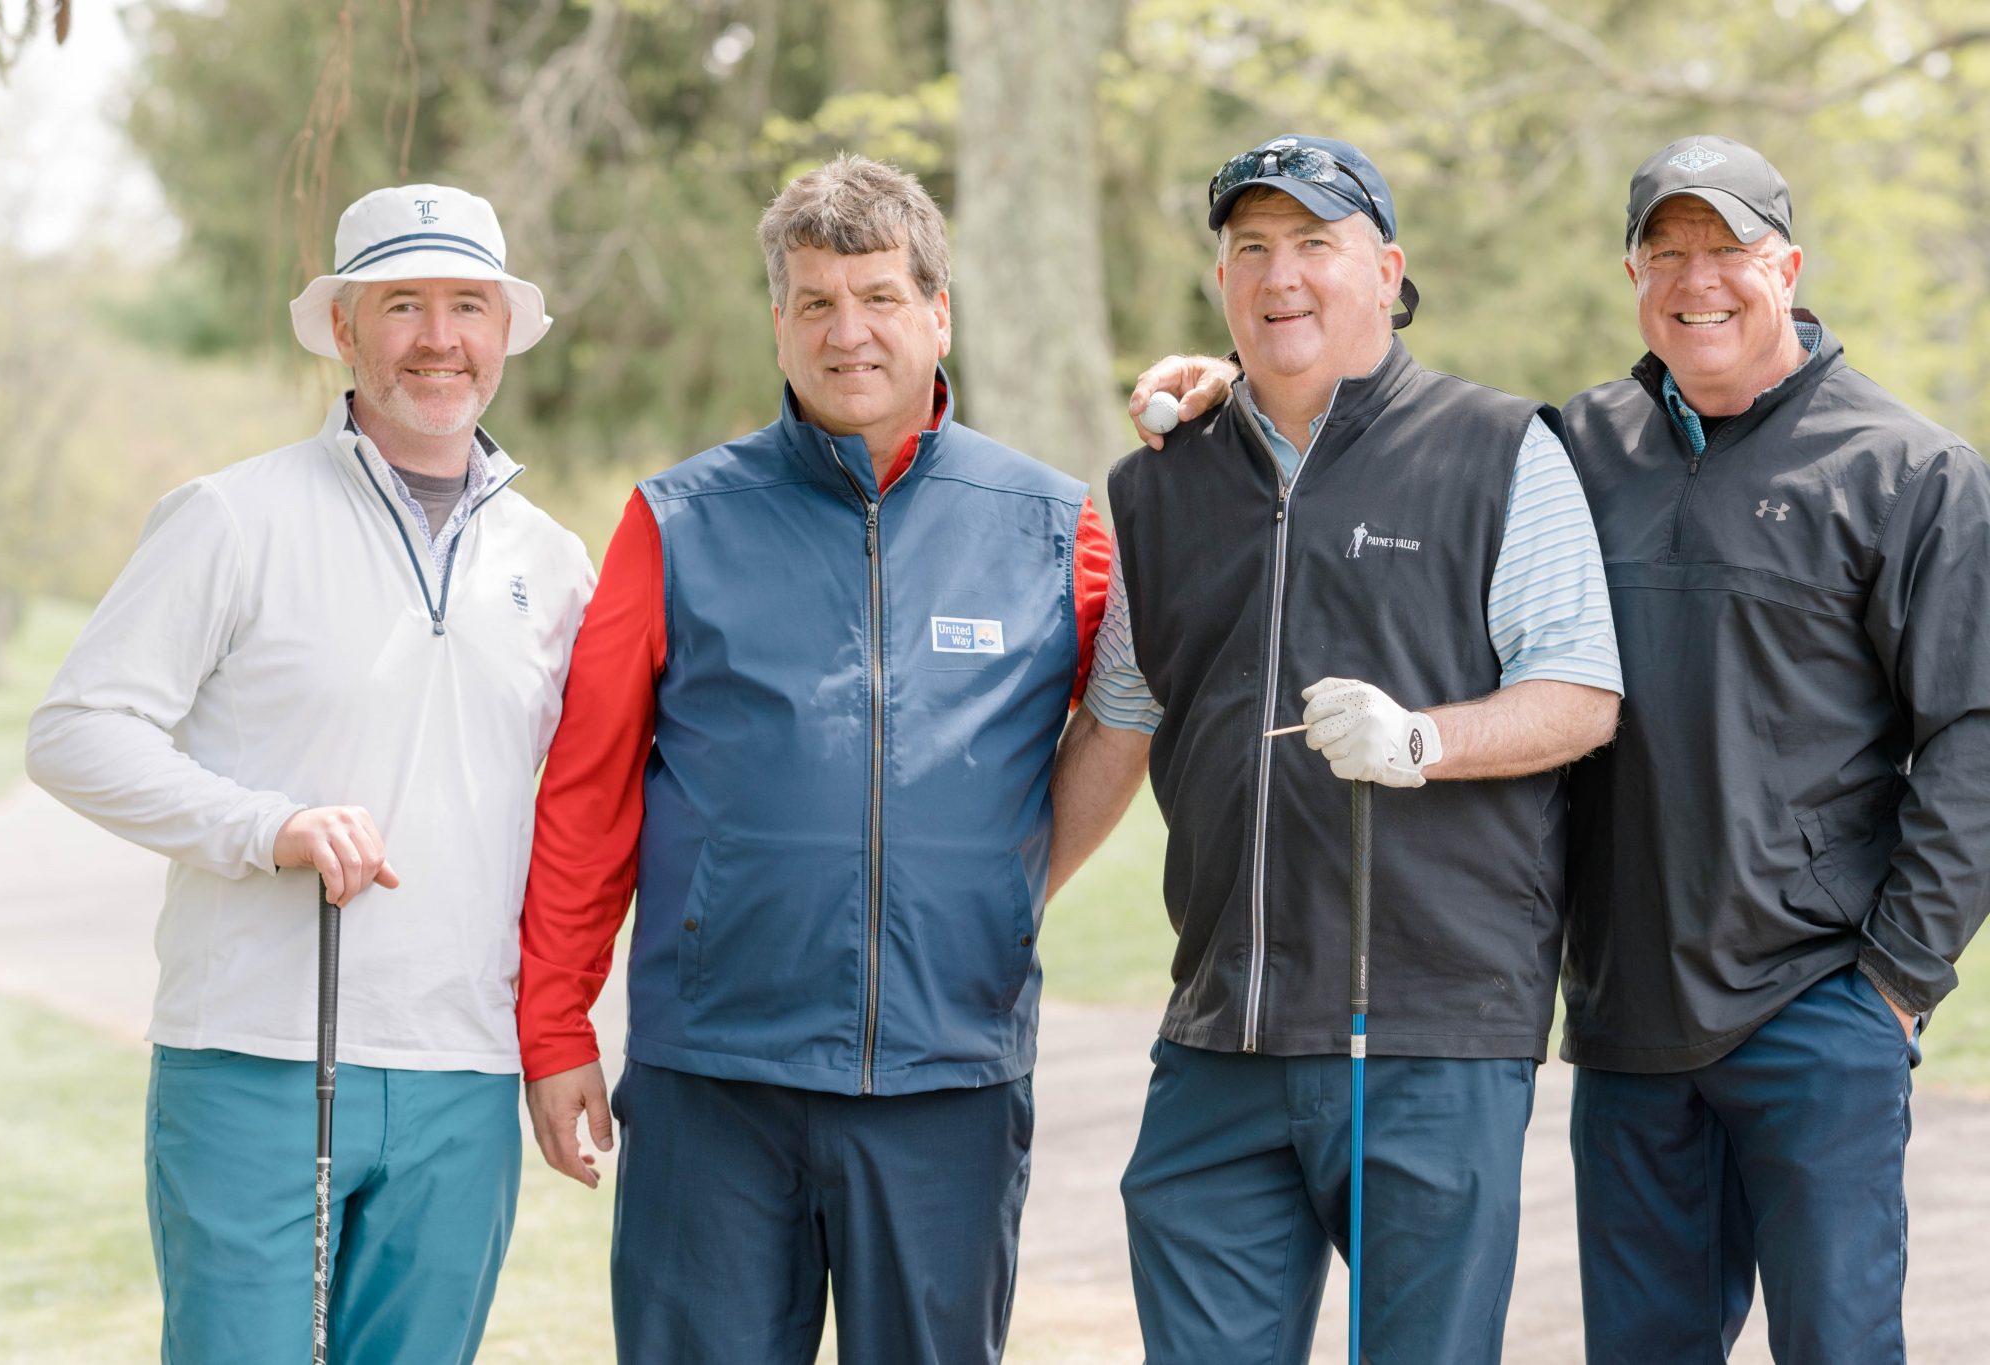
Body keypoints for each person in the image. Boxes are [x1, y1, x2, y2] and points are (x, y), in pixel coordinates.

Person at [515, 154, 1110, 1365]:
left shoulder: (1057, 529)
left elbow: (1133, 725)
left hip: (948, 1078)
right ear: (778, 324)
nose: (850, 334)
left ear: (937, 313)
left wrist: (1009, 885)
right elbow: (587, 793)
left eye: (880, 297)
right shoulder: (676, 521)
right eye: (816, 303)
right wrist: (556, 1029)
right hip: (713, 1084)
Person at [1050, 134, 1622, 1364]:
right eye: (1249, 247)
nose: (1279, 274)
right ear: (1219, 285)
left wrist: (1422, 738)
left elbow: (1578, 695)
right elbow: (1121, 713)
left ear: (1386, 270)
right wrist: (1005, 901)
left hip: (1428, 1037)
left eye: (1315, 243)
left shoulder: (1497, 451)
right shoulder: (1157, 483)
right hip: (1219, 1037)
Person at [25, 184, 594, 1364]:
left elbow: (582, 812)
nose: (438, 339)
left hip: (464, 1065)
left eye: (466, 307)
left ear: (502, 333)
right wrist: (267, 824)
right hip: (254, 1056)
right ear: (344, 328)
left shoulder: (552, 559)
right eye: (402, 305)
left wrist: (552, 1040)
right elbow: (77, 730)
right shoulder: (231, 518)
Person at [1559, 134, 1990, 1363]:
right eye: (1666, 252)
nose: (1699, 280)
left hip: (1817, 1003)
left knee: (1837, 1347)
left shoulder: (1908, 471)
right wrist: (1226, 401)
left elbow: (1969, 734)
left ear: (1785, 265)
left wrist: (1896, 981)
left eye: (1729, 249)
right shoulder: (1567, 456)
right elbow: (1403, 474)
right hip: (1627, 1012)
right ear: (1633, 277)